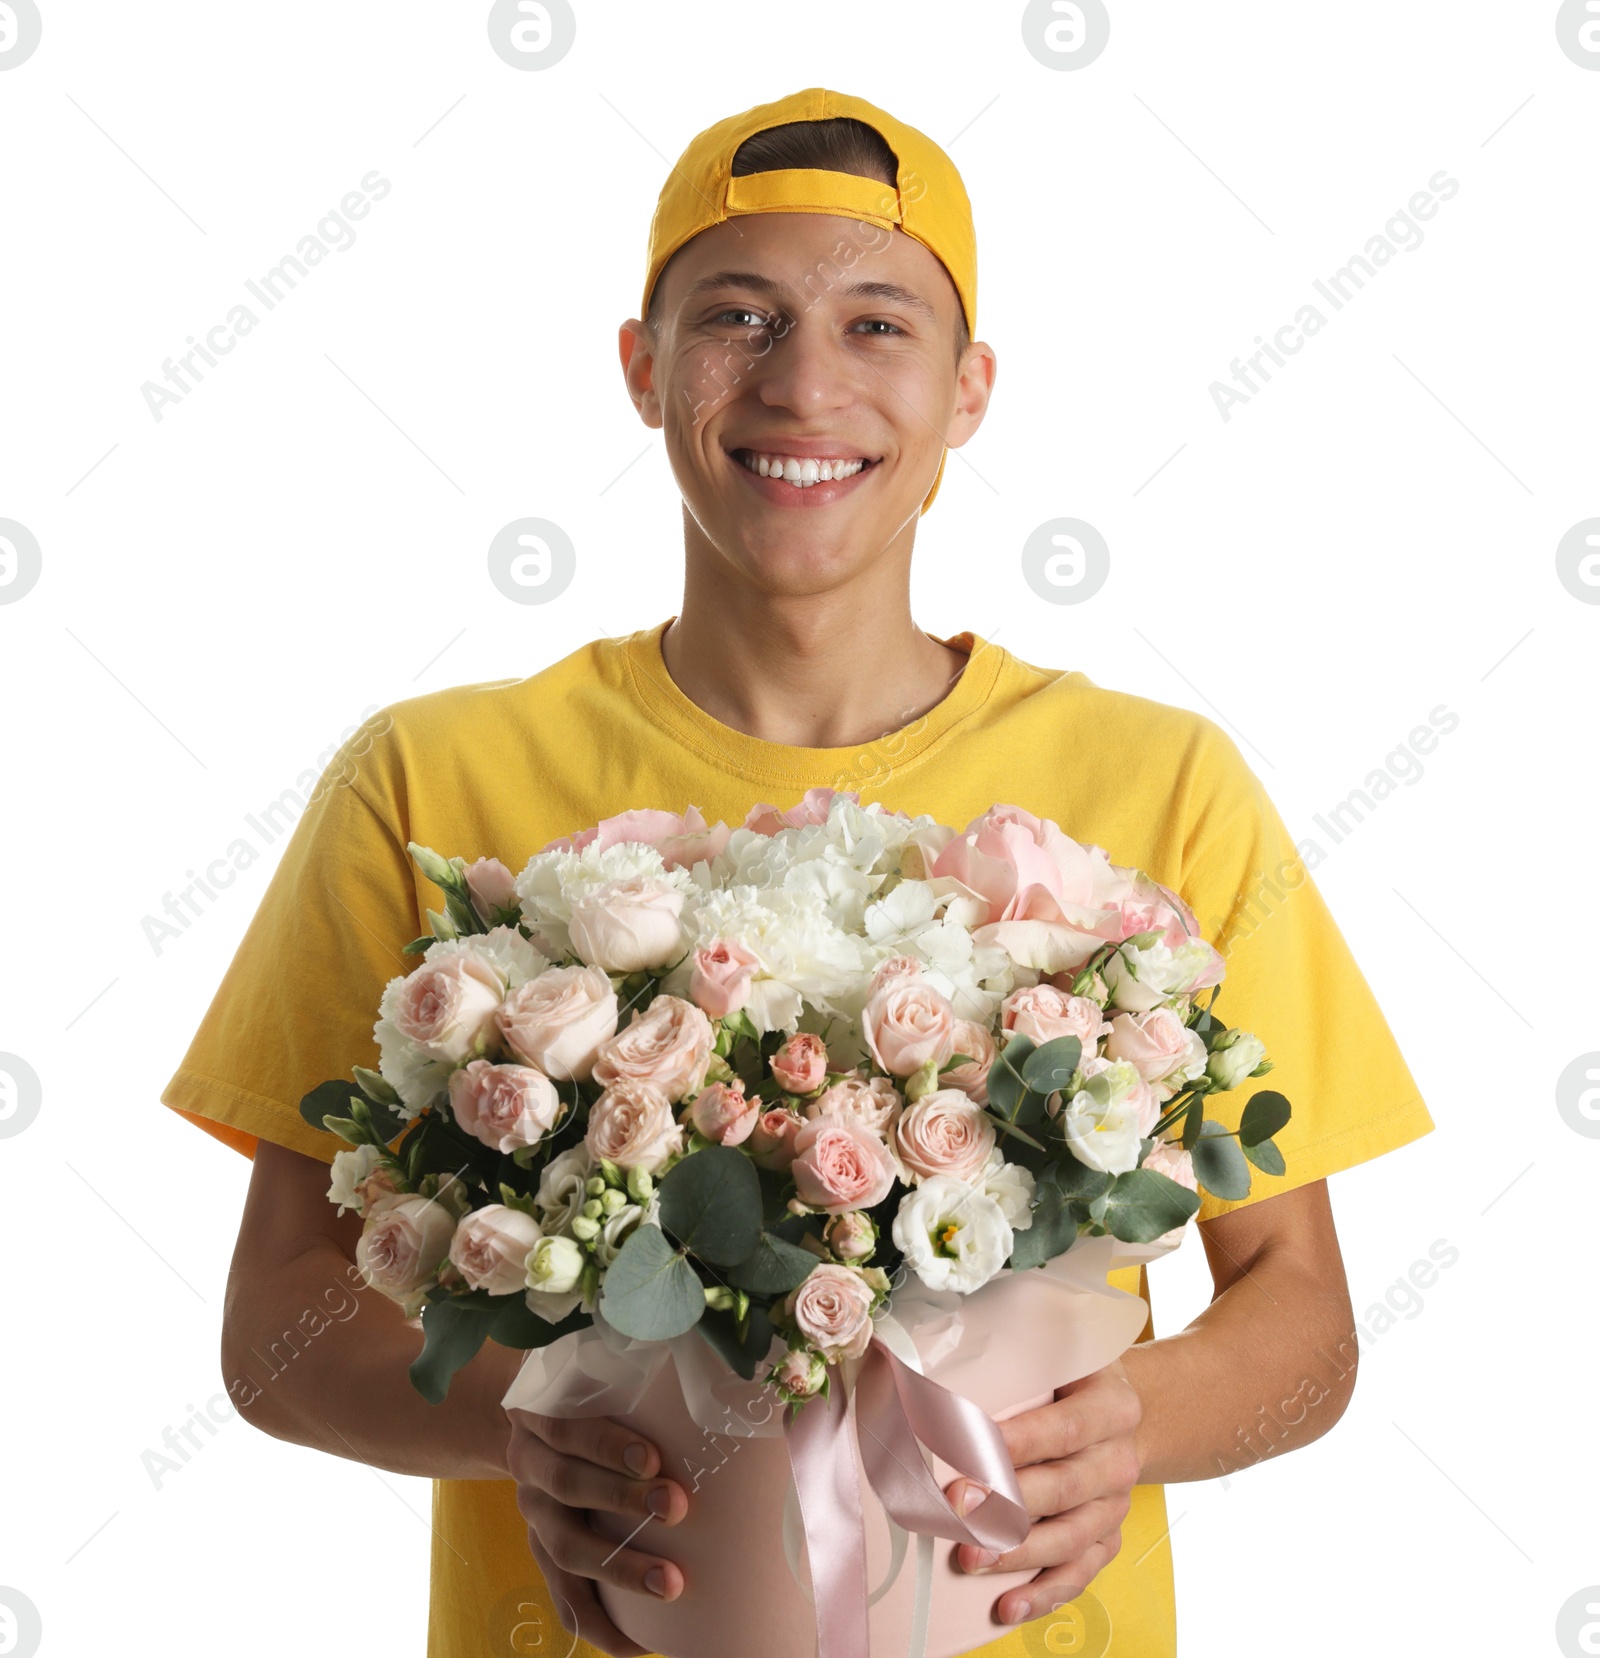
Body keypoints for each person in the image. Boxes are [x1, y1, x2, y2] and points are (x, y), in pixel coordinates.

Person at [164, 88, 1435, 1658]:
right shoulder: (430, 783)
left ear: (970, 390)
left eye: (876, 324)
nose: (804, 383)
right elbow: (276, 1324)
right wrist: (526, 1423)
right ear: (643, 368)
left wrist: (1132, 1424)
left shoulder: (1164, 787)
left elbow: (1302, 1318)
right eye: (740, 317)